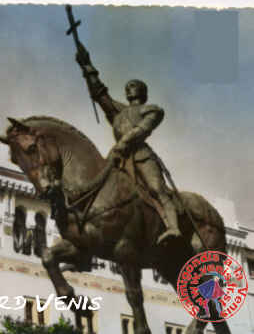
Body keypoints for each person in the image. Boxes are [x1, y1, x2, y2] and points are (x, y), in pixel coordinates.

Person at [75, 42, 181, 245]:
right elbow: (100, 93)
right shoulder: (119, 111)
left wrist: (123, 142)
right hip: (120, 157)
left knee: (156, 188)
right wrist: (86, 65)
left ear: (142, 91)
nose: (129, 88)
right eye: (127, 86)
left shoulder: (152, 110)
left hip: (141, 156)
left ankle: (173, 227)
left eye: (134, 86)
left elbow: (142, 130)